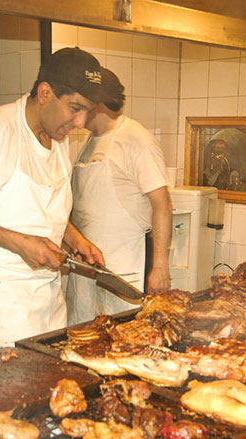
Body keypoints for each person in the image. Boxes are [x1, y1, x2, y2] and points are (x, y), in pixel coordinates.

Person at [0, 47, 108, 353]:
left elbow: (41, 208)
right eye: (75, 108)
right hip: (0, 303)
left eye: (87, 112)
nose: (81, 122)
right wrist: (20, 243)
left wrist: (75, 239)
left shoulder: (58, 138)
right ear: (45, 93)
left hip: (48, 299)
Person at [65, 68, 172, 325]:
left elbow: (163, 206)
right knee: (82, 337)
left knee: (123, 338)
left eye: (81, 103)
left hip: (124, 273)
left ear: (97, 103)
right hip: (87, 272)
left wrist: (160, 266)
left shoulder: (137, 139)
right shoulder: (89, 142)